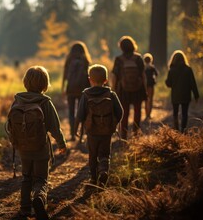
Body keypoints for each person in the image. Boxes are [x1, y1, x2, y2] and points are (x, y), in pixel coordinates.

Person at [9, 66, 67, 219]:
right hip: (41, 149)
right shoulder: (45, 102)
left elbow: (10, 127)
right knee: (41, 178)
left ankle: (25, 208)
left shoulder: (17, 101)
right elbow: (55, 127)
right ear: (45, 85)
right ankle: (39, 199)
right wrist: (61, 144)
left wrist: (16, 143)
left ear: (25, 82)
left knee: (26, 177)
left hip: (23, 149)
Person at [75, 64, 123, 186]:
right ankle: (103, 170)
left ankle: (93, 178)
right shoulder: (111, 94)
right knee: (105, 154)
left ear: (89, 79)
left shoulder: (86, 95)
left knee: (93, 155)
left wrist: (76, 129)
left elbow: (80, 115)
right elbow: (120, 112)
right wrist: (113, 124)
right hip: (107, 131)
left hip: (91, 131)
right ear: (106, 80)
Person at [111, 36, 147, 140]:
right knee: (137, 112)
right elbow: (143, 75)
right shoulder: (138, 58)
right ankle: (136, 134)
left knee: (124, 113)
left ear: (121, 47)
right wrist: (144, 88)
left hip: (123, 90)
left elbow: (114, 76)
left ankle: (124, 136)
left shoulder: (119, 59)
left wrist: (114, 89)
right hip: (138, 89)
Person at [61, 41, 91, 141]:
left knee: (71, 112)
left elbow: (65, 75)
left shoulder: (69, 60)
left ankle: (72, 134)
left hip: (71, 89)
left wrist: (63, 88)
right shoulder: (85, 60)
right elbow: (88, 76)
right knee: (81, 112)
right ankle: (81, 134)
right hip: (83, 89)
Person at [165, 50, 199, 133]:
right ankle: (183, 130)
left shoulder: (172, 70)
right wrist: (196, 95)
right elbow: (192, 83)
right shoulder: (188, 69)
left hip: (175, 95)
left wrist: (166, 82)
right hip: (186, 94)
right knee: (184, 113)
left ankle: (176, 130)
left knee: (175, 113)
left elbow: (169, 84)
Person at [143, 53, 158, 120]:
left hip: (144, 85)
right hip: (151, 85)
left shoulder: (143, 67)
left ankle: (146, 114)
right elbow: (156, 74)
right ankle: (149, 114)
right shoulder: (152, 67)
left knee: (146, 100)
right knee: (150, 99)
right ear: (151, 60)